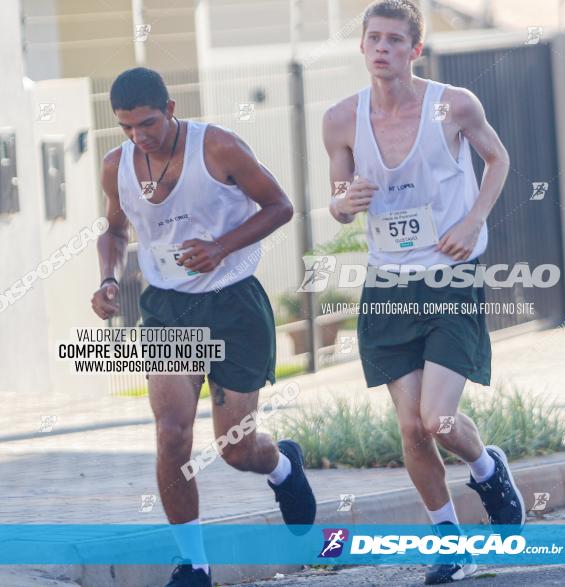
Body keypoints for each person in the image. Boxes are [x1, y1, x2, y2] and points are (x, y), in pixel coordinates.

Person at [321, 1, 524, 583]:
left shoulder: (454, 105)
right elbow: (336, 201)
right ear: (361, 47)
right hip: (388, 285)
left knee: (437, 420)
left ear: (415, 50)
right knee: (410, 428)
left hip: (450, 276)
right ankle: (448, 542)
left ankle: (487, 468)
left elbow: (498, 158)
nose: (381, 48)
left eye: (393, 40)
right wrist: (343, 203)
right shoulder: (340, 120)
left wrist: (473, 222)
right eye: (372, 39)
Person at [91, 67, 316, 587]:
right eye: (126, 128)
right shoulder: (115, 166)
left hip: (234, 305)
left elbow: (280, 206)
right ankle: (193, 564)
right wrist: (107, 278)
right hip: (168, 310)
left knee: (236, 449)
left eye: (147, 123)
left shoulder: (217, 147)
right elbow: (114, 229)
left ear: (170, 108)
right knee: (172, 436)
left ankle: (281, 465)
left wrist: (221, 247)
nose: (138, 136)